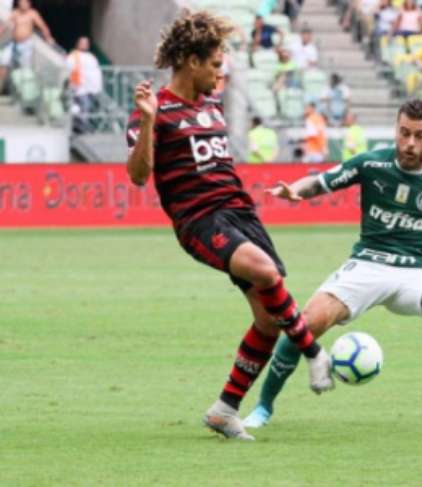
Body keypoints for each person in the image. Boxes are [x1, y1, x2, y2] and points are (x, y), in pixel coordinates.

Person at [243, 99, 422, 428]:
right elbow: (322, 181)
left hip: (417, 272)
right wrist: (294, 190)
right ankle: (263, 407)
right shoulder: (371, 164)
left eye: (420, 135)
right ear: (396, 129)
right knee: (303, 324)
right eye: (404, 133)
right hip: (367, 264)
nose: (410, 143)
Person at [125, 10, 332, 441]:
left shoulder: (212, 104)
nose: (221, 74)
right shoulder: (155, 108)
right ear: (191, 61)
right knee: (265, 271)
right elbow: (140, 175)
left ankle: (224, 409)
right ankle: (314, 352)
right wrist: (146, 120)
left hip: (240, 213)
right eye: (215, 65)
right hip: (199, 219)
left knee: (268, 321)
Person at [0, 0, 54, 87]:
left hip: (26, 45)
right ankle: (5, 86)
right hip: (14, 43)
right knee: (6, 62)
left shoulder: (33, 14)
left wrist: (48, 38)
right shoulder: (15, 13)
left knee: (25, 68)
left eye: (24, 2)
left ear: (29, 3)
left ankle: (24, 89)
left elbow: (43, 27)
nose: (23, 4)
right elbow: (5, 25)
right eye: (21, 3)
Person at [66, 36, 102, 134]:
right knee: (82, 108)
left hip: (91, 89)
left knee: (86, 109)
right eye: (82, 43)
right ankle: (80, 129)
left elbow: (95, 72)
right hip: (79, 88)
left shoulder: (91, 57)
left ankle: (81, 127)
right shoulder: (73, 56)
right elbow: (69, 70)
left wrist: (96, 87)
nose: (84, 45)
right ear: (78, 44)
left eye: (86, 43)